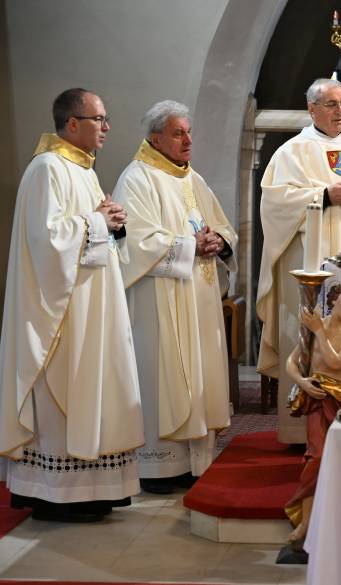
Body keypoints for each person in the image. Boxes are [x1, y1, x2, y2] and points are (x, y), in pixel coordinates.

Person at [0, 88, 144, 522]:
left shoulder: (83, 169)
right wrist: (98, 221)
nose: (107, 127)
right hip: (62, 314)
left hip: (91, 306)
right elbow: (47, 240)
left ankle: (93, 492)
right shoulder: (47, 168)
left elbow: (89, 234)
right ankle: (55, 495)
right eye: (99, 119)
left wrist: (112, 224)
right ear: (73, 123)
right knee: (63, 398)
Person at [112, 100, 238, 493]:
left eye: (188, 132)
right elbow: (135, 243)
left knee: (199, 374)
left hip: (199, 299)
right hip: (160, 300)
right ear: (155, 137)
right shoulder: (137, 179)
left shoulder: (192, 178)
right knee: (164, 374)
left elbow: (222, 227)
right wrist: (189, 246)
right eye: (178, 133)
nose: (187, 140)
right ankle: (160, 467)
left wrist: (219, 242)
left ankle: (194, 462)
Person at [256, 78, 341, 443]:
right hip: (313, 267)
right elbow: (274, 204)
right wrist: (324, 195)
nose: (340, 111)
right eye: (330, 104)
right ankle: (304, 432)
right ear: (311, 109)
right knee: (309, 334)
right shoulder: (291, 153)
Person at [283, 279, 341, 551]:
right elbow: (292, 362)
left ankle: (339, 520)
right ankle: (306, 522)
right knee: (315, 457)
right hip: (318, 398)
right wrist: (302, 382)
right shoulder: (315, 326)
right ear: (334, 299)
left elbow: (336, 362)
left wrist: (318, 330)